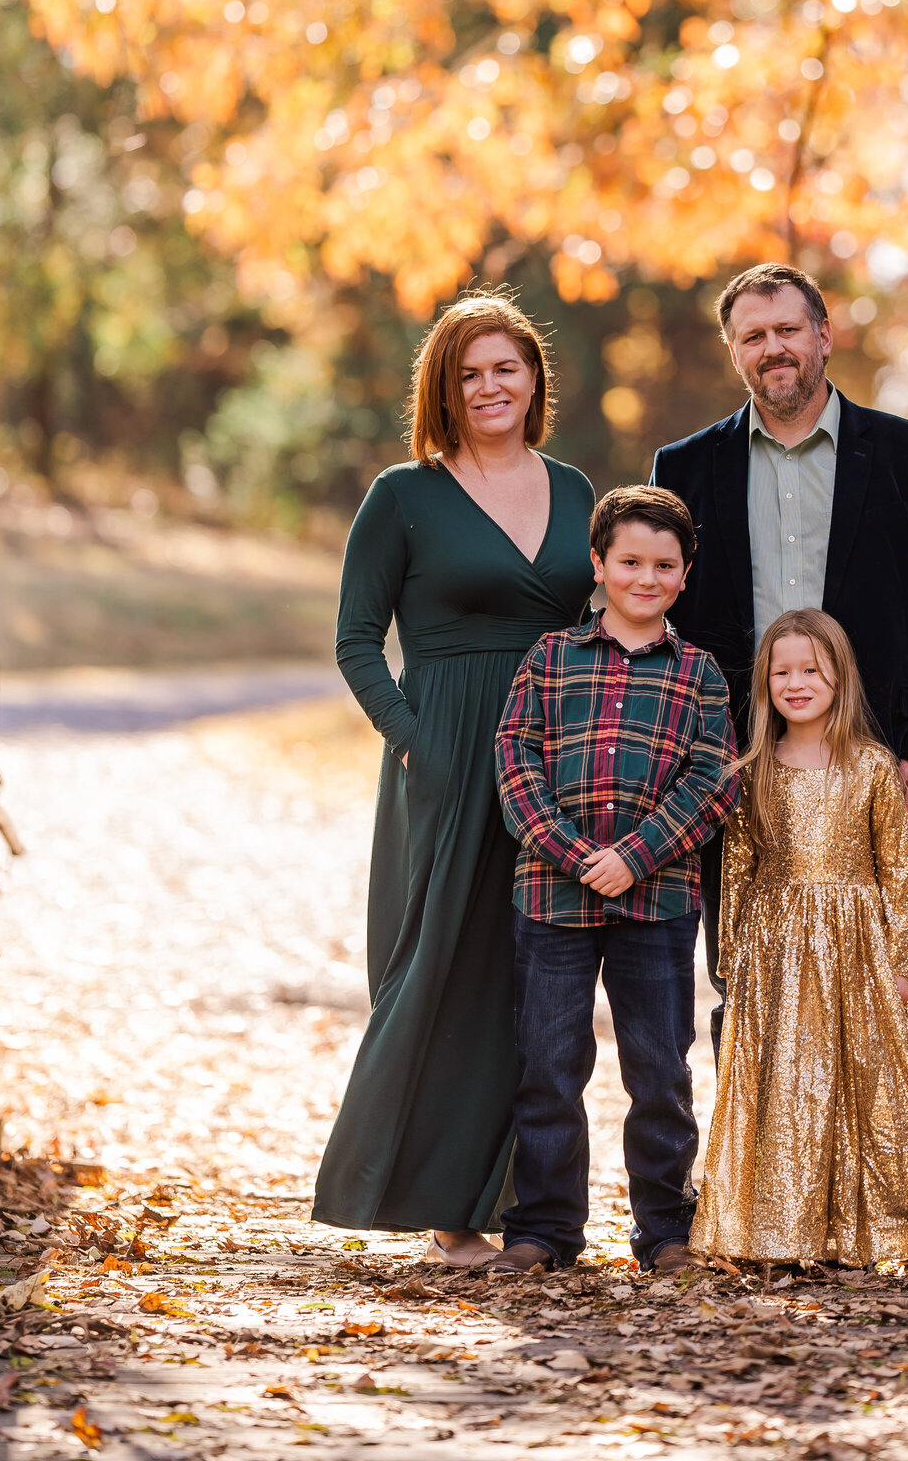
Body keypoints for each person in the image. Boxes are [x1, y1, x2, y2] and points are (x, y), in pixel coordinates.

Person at [652, 260, 908, 1135]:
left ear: (824, 336)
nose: (774, 349)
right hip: (744, 773)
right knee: (749, 984)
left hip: (888, 770)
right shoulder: (686, 468)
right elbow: (667, 621)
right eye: (754, 336)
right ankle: (760, 1198)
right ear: (735, 353)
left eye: (788, 330)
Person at [313, 293, 596, 1266]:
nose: (490, 387)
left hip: (551, 755)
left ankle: (534, 1206)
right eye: (469, 373)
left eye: (506, 368)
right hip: (443, 752)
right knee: (440, 966)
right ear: (443, 387)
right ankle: (438, 1205)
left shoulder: (574, 488)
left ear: (533, 380)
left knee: (538, 975)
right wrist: (409, 737)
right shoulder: (403, 495)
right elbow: (355, 639)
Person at [690, 609, 908, 1269]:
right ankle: (781, 1234)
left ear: (840, 677)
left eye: (812, 670)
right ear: (765, 682)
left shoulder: (873, 768)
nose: (796, 683)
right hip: (779, 949)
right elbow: (738, 868)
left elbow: (896, 871)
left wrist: (901, 957)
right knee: (789, 1081)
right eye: (782, 671)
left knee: (874, 1082)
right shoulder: (753, 771)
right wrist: (734, 955)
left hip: (859, 945)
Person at [490, 486, 738, 1274]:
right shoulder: (550, 658)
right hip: (552, 899)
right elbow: (515, 761)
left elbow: (714, 781)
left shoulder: (698, 674)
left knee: (660, 1072)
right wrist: (571, 853)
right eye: (629, 561)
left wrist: (636, 854)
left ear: (685, 575)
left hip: (658, 901)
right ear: (598, 566)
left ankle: (665, 1230)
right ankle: (545, 1231)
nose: (646, 576)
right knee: (548, 1067)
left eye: (664, 564)